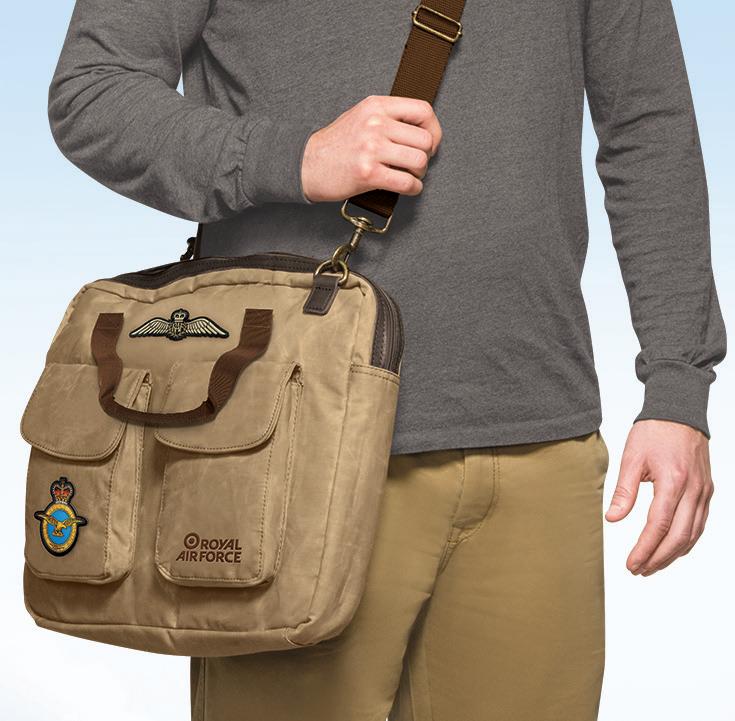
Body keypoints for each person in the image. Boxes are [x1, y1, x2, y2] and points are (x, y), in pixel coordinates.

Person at [47, 0, 725, 719]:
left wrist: (677, 385)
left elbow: (647, 127)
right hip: (290, 446)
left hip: (539, 434)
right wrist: (294, 157)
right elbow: (92, 92)